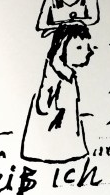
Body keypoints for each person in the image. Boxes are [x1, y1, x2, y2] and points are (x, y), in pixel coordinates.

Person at [21, 22, 93, 163]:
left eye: (87, 47)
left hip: (64, 143)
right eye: (79, 47)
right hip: (50, 146)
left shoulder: (67, 74)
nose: (89, 52)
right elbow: (43, 105)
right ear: (61, 50)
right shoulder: (54, 75)